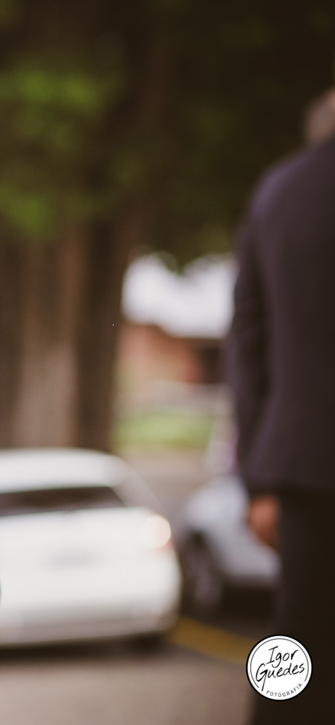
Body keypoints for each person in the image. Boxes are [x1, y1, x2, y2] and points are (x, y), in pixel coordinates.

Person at [229, 87, 335, 724]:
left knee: (297, 639)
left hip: (299, 466)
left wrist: (257, 478)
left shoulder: (276, 193)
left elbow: (247, 342)